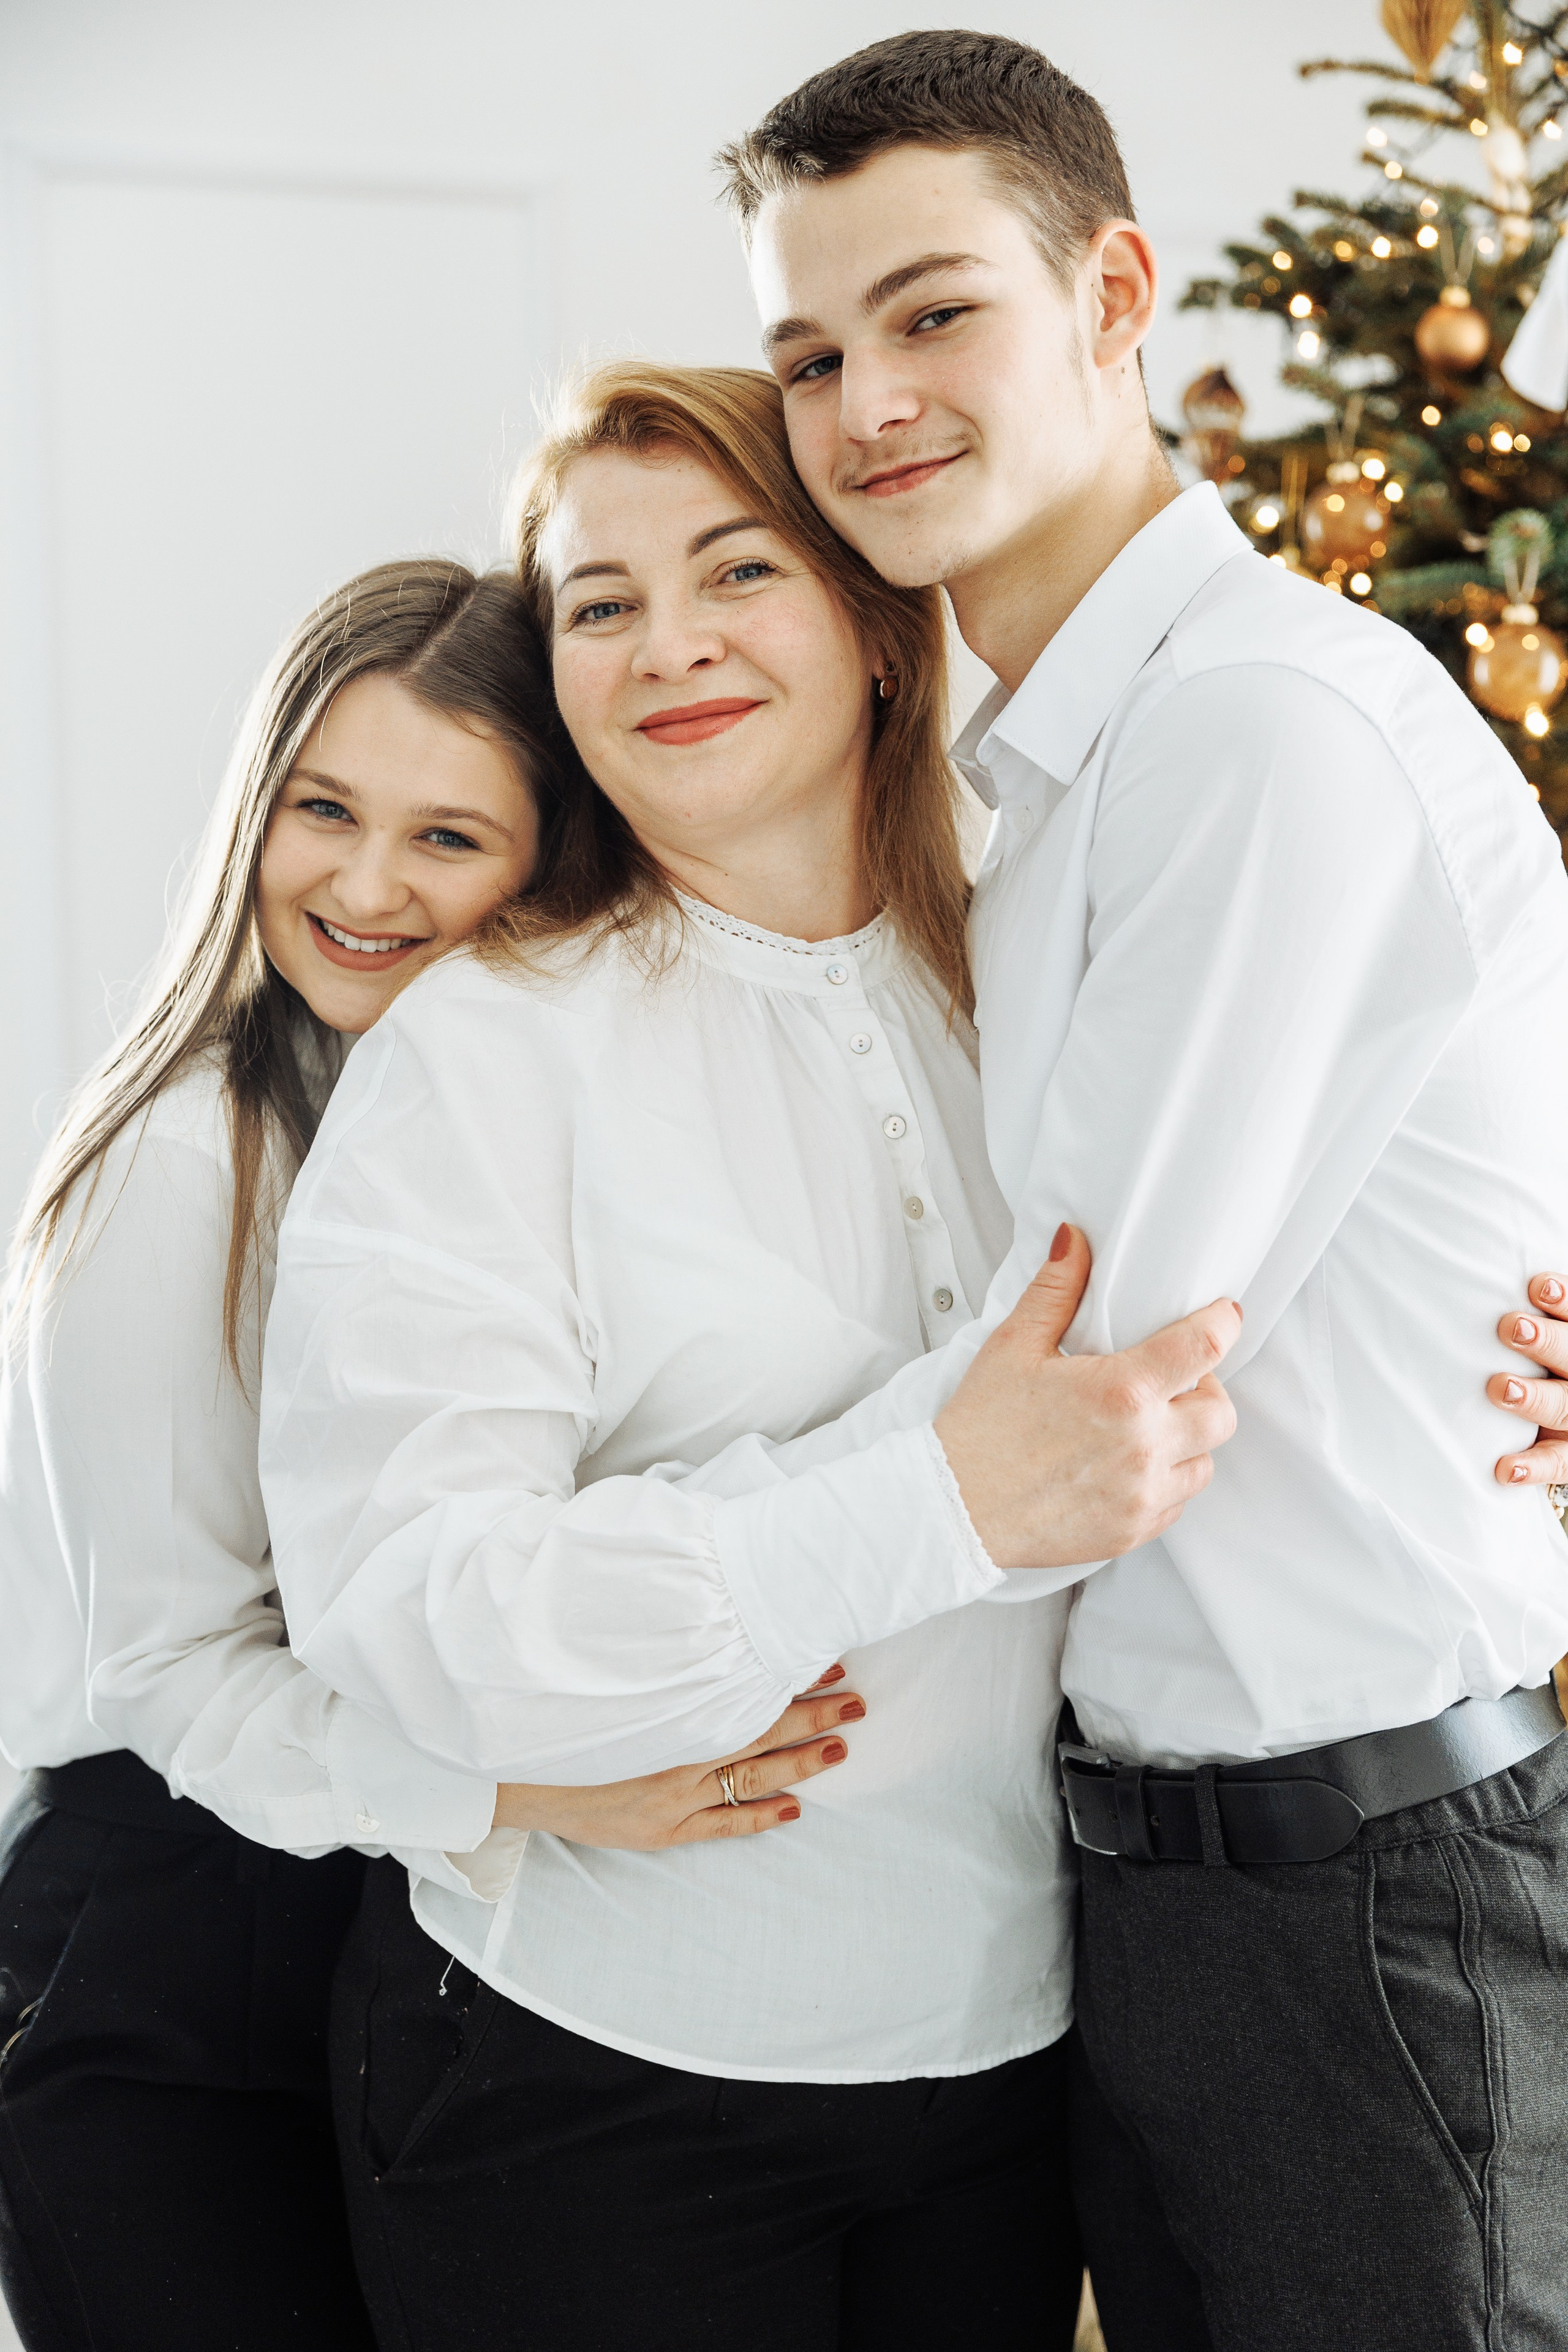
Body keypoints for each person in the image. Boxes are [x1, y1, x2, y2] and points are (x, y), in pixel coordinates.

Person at [695, 30, 1568, 2352]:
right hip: (1167, 1888)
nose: (865, 398)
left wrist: (601, 1635)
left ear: (1114, 295)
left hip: (1366, 1896)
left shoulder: (1254, 730)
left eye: (930, 310)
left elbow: (1076, 1403)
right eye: (809, 350)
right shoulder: (1057, 769)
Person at [260, 364, 1242, 2352]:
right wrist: (931, 1501)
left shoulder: (1040, 960)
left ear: (881, 635)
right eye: (599, 603)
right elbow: (422, 1618)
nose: (668, 641)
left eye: (737, 568)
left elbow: (1214, 1340)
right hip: (593, 2076)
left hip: (1005, 2060)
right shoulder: (490, 1048)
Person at [0, 558, 860, 2352]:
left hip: (396, 1939)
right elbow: (166, 1672)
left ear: (549, 865)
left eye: (449, 840)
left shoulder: (518, 1125)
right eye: (323, 810)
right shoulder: (185, 1163)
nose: (366, 887)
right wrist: (533, 1799)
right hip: (180, 1950)